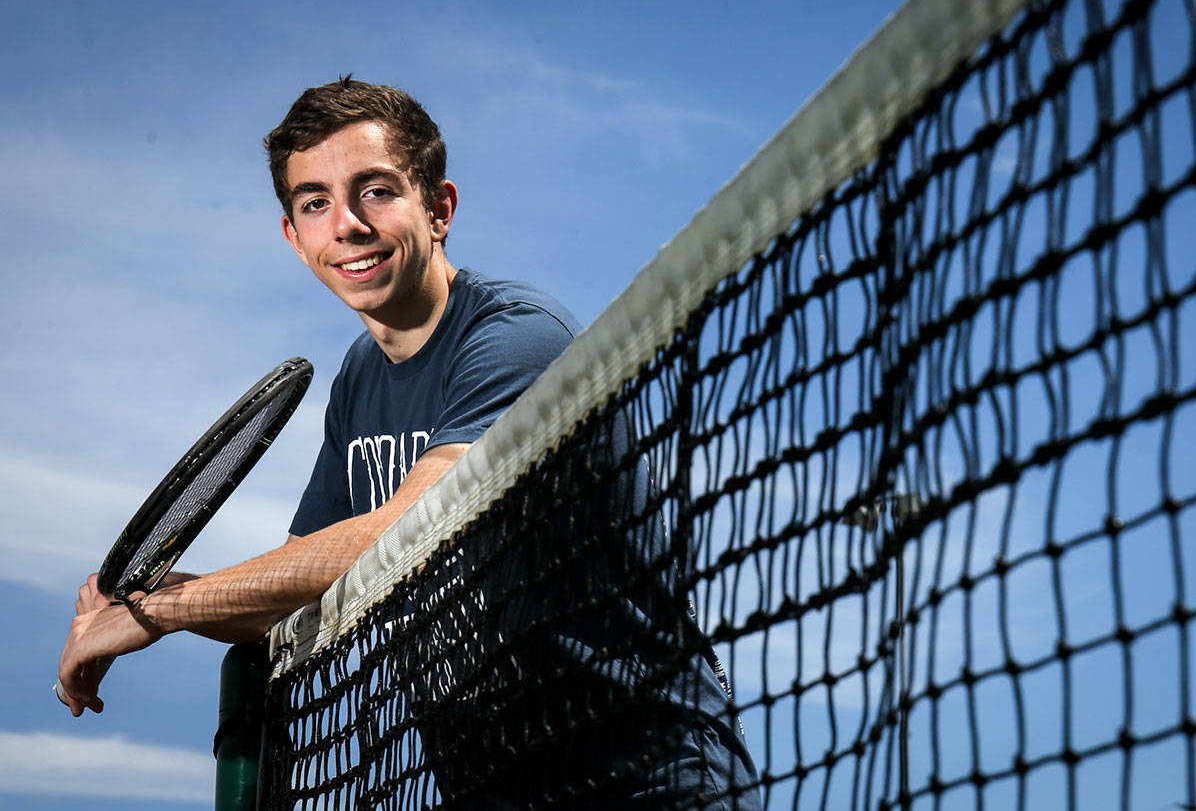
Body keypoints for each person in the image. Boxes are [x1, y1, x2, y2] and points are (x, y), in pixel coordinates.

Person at [60, 77, 759, 808]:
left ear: (440, 208)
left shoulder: (516, 337)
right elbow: (304, 596)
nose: (348, 225)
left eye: (377, 191)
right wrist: (161, 598)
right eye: (315, 203)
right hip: (492, 783)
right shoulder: (360, 380)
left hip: (642, 771)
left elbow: (411, 529)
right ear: (295, 240)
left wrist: (166, 612)